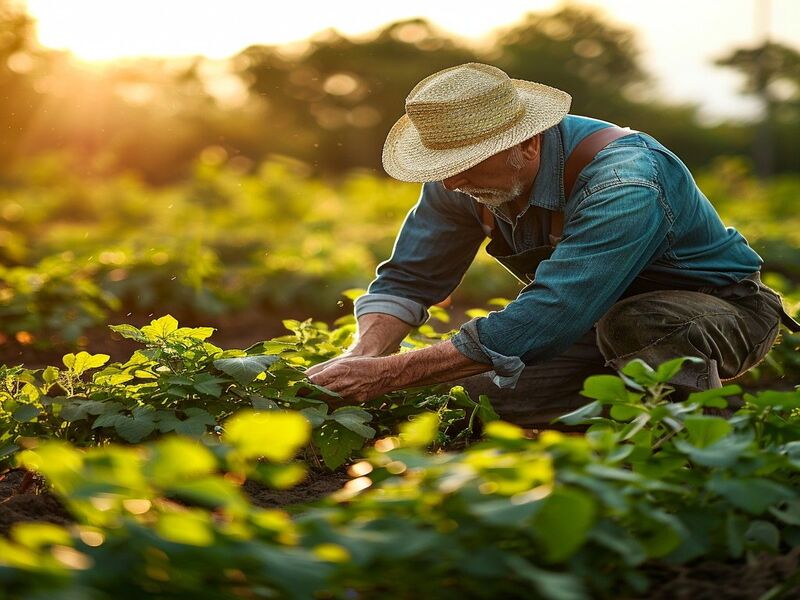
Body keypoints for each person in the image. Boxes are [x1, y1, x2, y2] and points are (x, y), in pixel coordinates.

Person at [307, 62, 799, 427]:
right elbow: (410, 279)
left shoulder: (624, 181)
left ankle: (701, 437)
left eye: (468, 164)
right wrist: (363, 356)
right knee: (477, 402)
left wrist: (392, 374)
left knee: (642, 323)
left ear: (528, 142)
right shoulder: (459, 181)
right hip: (593, 323)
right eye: (442, 166)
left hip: (716, 316)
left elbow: (554, 311)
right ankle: (614, 423)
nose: (452, 183)